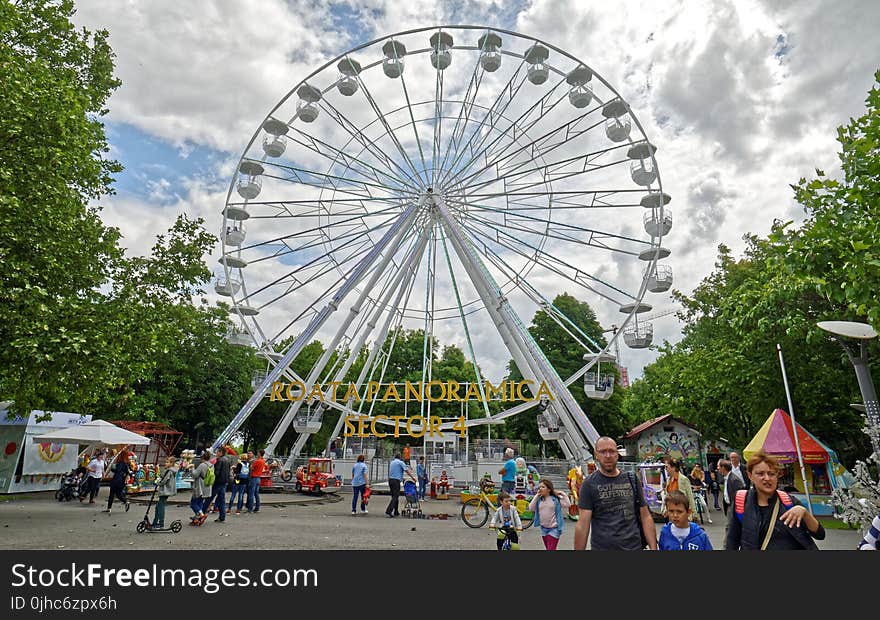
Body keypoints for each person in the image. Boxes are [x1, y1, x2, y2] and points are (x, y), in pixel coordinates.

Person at [725, 450, 825, 550]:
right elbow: (731, 542)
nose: (767, 478)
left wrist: (805, 512)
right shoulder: (741, 502)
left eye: (771, 474)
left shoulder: (789, 502)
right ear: (750, 475)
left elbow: (820, 534)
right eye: (760, 474)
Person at [575, 436, 658, 551]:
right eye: (603, 452)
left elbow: (645, 516)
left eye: (611, 451)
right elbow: (583, 525)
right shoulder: (589, 484)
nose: (608, 456)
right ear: (596, 455)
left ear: (617, 454)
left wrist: (654, 547)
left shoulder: (632, 479)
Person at [528, 478, 570, 550]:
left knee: (551, 549)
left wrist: (562, 494)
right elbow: (531, 508)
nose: (540, 489)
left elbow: (567, 504)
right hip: (543, 528)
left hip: (554, 528)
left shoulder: (555, 499)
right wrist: (536, 496)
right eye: (540, 487)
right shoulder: (539, 500)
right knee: (549, 548)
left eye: (543, 487)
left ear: (549, 489)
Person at [663, 458, 696, 522]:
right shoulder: (668, 480)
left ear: (673, 468)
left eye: (667, 467)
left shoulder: (683, 479)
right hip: (671, 514)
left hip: (681, 513)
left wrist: (693, 513)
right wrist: (665, 509)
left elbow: (690, 496)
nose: (665, 469)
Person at [153, 456, 178, 530]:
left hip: (165, 491)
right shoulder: (170, 470)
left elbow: (164, 481)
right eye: (166, 462)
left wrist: (157, 483)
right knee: (158, 506)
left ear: (171, 463)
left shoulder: (169, 471)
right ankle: (155, 522)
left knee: (160, 507)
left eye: (167, 462)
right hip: (166, 491)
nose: (165, 464)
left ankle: (161, 523)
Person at [104, 449, 131, 515]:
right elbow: (128, 472)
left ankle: (109, 508)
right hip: (122, 481)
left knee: (112, 494)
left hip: (116, 480)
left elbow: (117, 470)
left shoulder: (120, 463)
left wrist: (112, 468)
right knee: (118, 494)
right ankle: (125, 501)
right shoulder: (127, 463)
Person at [385, 453, 411, 518]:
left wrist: (401, 478)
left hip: (390, 480)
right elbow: (406, 471)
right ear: (400, 457)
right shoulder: (401, 462)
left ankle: (396, 511)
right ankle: (389, 510)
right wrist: (412, 477)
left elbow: (396, 472)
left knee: (394, 496)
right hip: (396, 481)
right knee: (395, 496)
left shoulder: (392, 462)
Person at [190, 450, 212, 524]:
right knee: (200, 503)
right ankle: (197, 518)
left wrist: (192, 468)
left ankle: (201, 515)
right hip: (207, 486)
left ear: (202, 458)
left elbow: (195, 474)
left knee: (193, 503)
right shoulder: (211, 465)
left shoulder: (202, 465)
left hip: (200, 487)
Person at [210, 446, 231, 523]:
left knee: (209, 499)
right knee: (222, 500)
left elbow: (217, 473)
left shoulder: (219, 460)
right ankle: (222, 516)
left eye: (217, 452)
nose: (216, 453)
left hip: (217, 482)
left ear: (221, 452)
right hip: (224, 482)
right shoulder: (227, 460)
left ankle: (200, 514)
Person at [247, 449, 267, 513]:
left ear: (259, 453)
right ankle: (257, 507)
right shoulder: (263, 461)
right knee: (256, 494)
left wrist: (251, 465)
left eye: (258, 453)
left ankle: (250, 508)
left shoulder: (257, 461)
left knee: (251, 494)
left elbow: (251, 468)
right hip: (258, 478)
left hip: (254, 478)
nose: (257, 454)